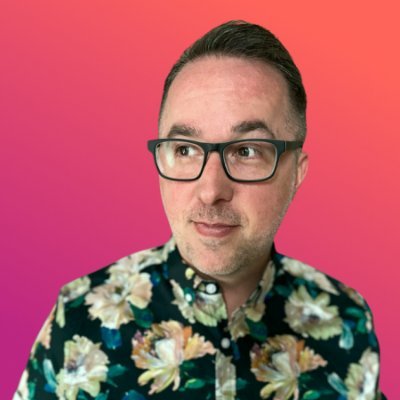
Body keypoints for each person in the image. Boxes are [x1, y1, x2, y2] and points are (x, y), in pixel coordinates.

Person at [14, 20, 385, 400]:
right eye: (185, 150)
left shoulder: (347, 321)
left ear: (297, 173)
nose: (210, 191)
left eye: (246, 151)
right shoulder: (78, 317)